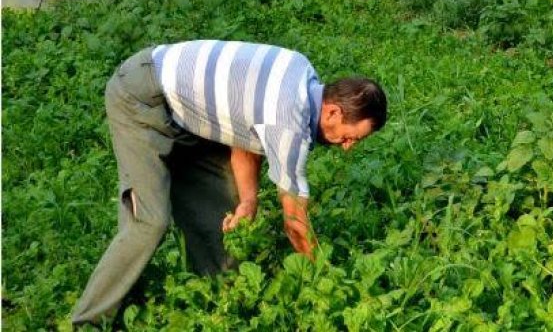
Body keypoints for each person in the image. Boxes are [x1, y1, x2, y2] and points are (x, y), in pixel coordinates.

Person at [72, 39, 387, 325]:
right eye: (349, 137)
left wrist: (249, 200)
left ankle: (217, 300)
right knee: (149, 222)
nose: (348, 147)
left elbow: (245, 135)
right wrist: (328, 282)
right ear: (332, 112)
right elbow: (295, 224)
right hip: (141, 98)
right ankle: (88, 320)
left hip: (185, 114)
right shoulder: (289, 123)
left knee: (222, 201)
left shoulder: (303, 73)